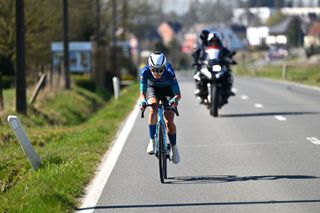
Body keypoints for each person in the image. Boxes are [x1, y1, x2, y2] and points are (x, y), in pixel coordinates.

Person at [139, 51, 181, 164]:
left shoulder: (169, 72)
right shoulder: (145, 71)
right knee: (153, 108)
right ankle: (152, 141)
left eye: (160, 70)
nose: (157, 73)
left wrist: (174, 100)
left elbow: (178, 95)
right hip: (153, 89)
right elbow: (142, 93)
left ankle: (174, 147)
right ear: (150, 67)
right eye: (154, 70)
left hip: (168, 90)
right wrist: (143, 101)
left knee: (169, 122)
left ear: (164, 67)